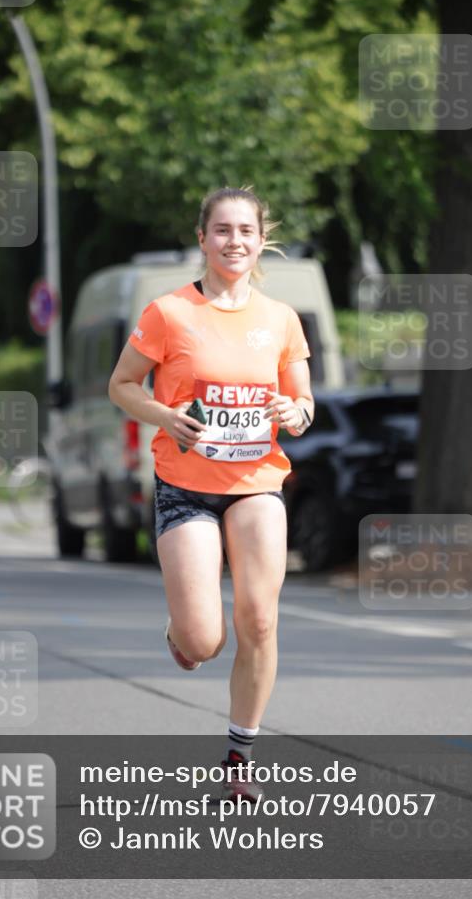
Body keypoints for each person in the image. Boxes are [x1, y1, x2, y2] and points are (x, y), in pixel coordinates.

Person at [108, 186, 314, 801]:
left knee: (260, 618)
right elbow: (122, 385)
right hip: (185, 487)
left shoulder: (281, 319)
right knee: (204, 640)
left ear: (262, 240)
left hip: (257, 483)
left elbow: (304, 403)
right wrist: (164, 415)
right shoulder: (168, 313)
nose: (234, 241)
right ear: (203, 239)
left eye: (246, 231)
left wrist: (295, 412)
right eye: (222, 230)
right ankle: (183, 633)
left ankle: (239, 758)